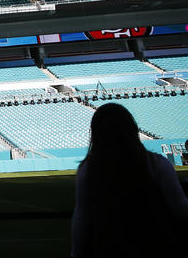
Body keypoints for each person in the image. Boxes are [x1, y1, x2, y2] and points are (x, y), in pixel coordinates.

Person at [70, 103, 188, 257]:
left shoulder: (87, 170)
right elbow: (180, 208)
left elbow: (82, 217)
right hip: (155, 245)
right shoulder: (157, 164)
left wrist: (76, 253)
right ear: (132, 128)